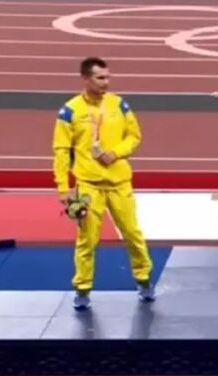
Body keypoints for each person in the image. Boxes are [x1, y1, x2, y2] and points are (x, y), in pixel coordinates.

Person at [53, 56, 154, 310]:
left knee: (132, 234)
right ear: (85, 79)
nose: (106, 83)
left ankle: (144, 280)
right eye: (100, 78)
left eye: (108, 77)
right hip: (89, 186)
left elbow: (135, 136)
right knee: (87, 240)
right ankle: (82, 289)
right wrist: (63, 188)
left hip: (120, 183)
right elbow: (61, 151)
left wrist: (117, 152)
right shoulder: (70, 111)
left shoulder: (119, 105)